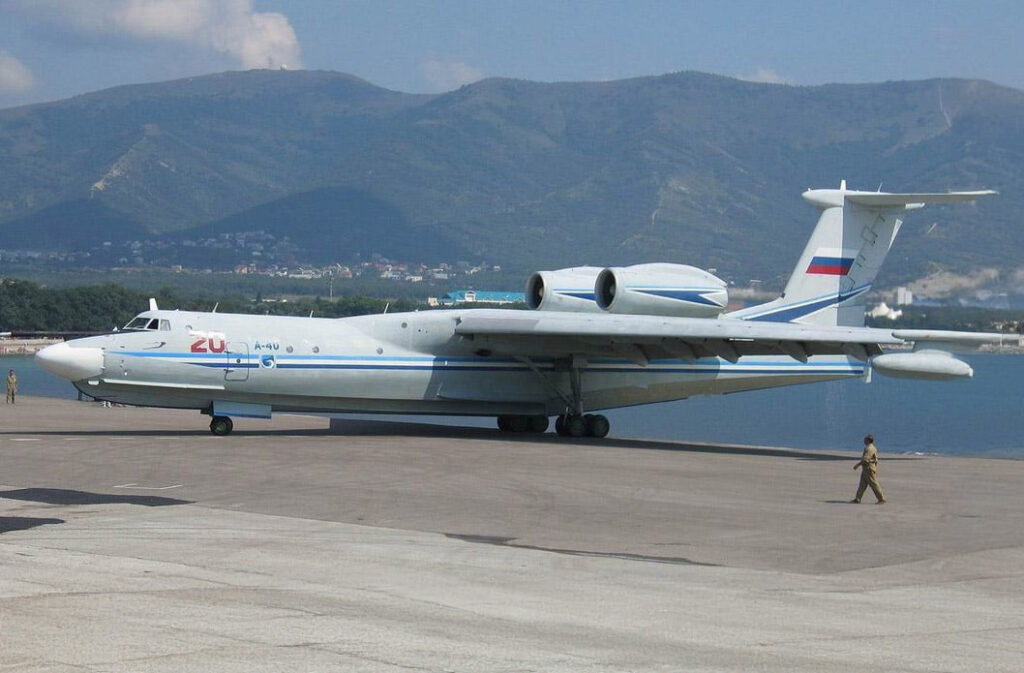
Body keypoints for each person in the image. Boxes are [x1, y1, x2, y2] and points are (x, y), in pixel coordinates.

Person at [852, 434, 886, 504]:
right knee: (862, 485)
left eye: (865, 439)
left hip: (868, 469)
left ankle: (881, 499)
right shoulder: (873, 447)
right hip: (866, 469)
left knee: (874, 484)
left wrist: (857, 465)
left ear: (868, 440)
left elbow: (865, 459)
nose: (864, 440)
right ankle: (858, 498)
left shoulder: (869, 449)